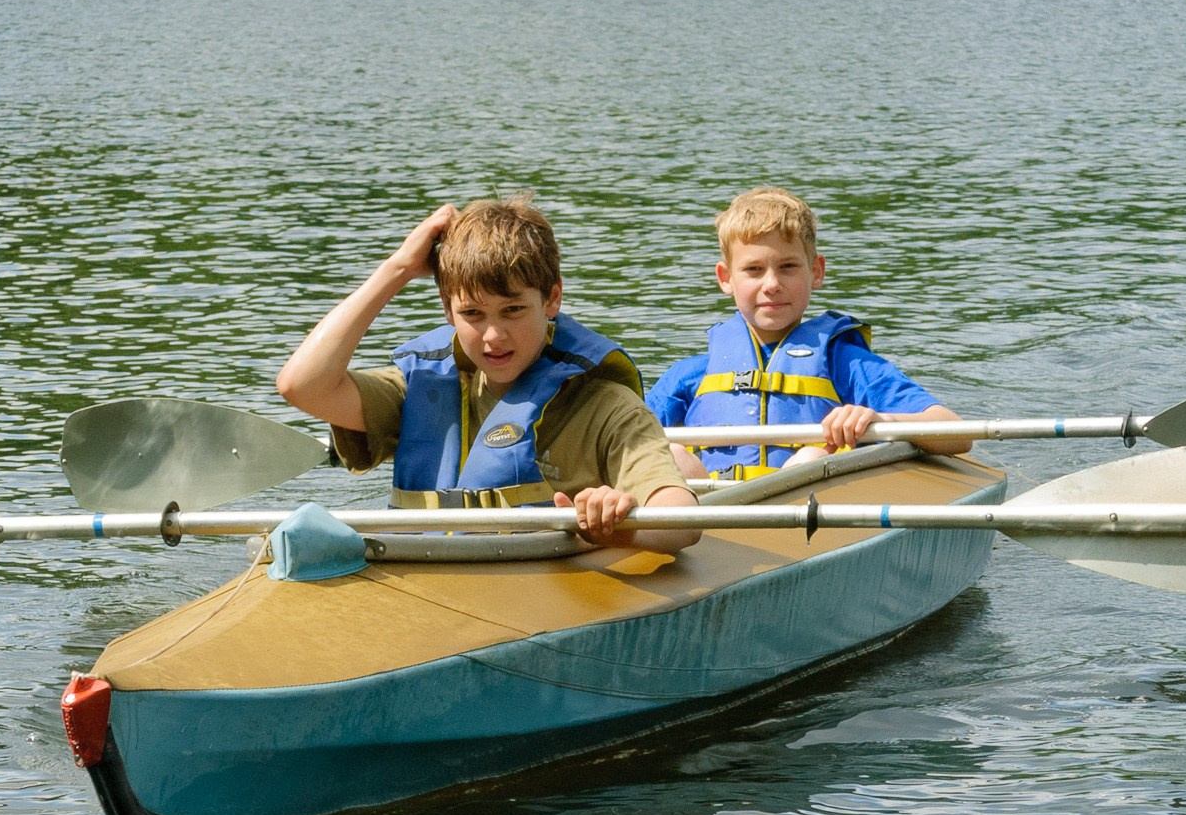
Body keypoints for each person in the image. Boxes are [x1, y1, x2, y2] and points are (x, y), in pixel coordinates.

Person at [276, 196, 700, 553]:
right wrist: (399, 268)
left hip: (531, 592)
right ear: (448, 310)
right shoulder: (418, 388)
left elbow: (681, 520)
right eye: (472, 314)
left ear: (552, 298)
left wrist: (617, 524)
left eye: (513, 310)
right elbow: (301, 385)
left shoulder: (606, 405)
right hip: (420, 578)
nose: (494, 336)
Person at [648, 187, 968, 482]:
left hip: (806, 516)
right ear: (725, 278)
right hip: (707, 517)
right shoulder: (690, 375)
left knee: (813, 455)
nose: (771, 284)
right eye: (754, 270)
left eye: (787, 267)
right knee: (670, 454)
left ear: (816, 271)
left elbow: (956, 432)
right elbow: (621, 439)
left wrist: (880, 420)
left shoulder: (844, 363)